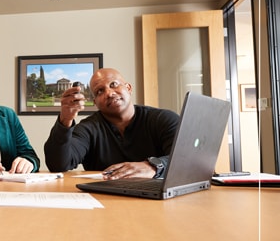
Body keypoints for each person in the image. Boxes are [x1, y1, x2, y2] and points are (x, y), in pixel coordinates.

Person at [44, 67, 180, 180]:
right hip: (104, 200)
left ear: (128, 88)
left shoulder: (163, 119)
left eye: (113, 84)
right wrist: (65, 119)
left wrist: (153, 166)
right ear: (95, 102)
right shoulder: (88, 128)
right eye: (100, 91)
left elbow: (187, 159)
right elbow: (58, 165)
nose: (109, 93)